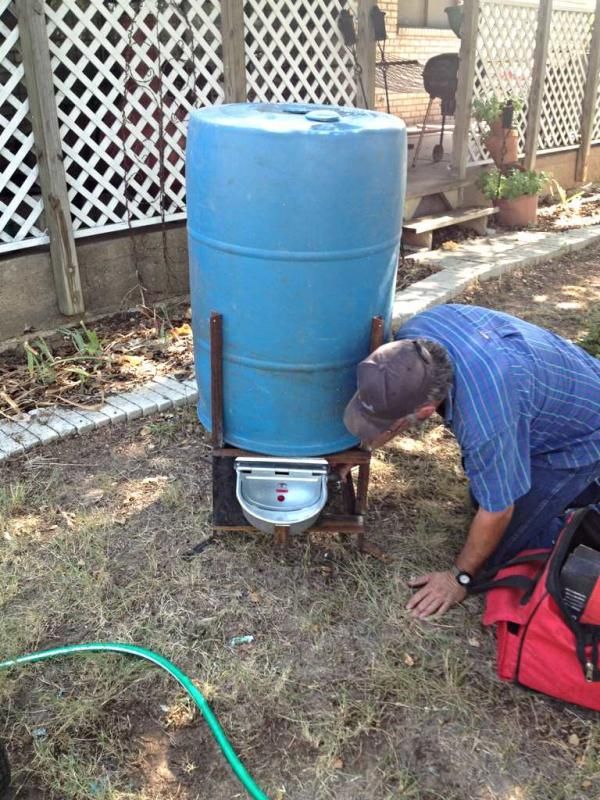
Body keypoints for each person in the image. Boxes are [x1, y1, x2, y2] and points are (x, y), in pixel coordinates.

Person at [343, 304, 600, 619]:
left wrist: (459, 577)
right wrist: (358, 454)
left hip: (579, 436)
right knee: (487, 495)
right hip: (552, 386)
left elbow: (498, 510)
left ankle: (583, 502)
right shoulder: (413, 342)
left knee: (502, 550)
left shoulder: (487, 421)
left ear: (426, 410)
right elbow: (397, 414)